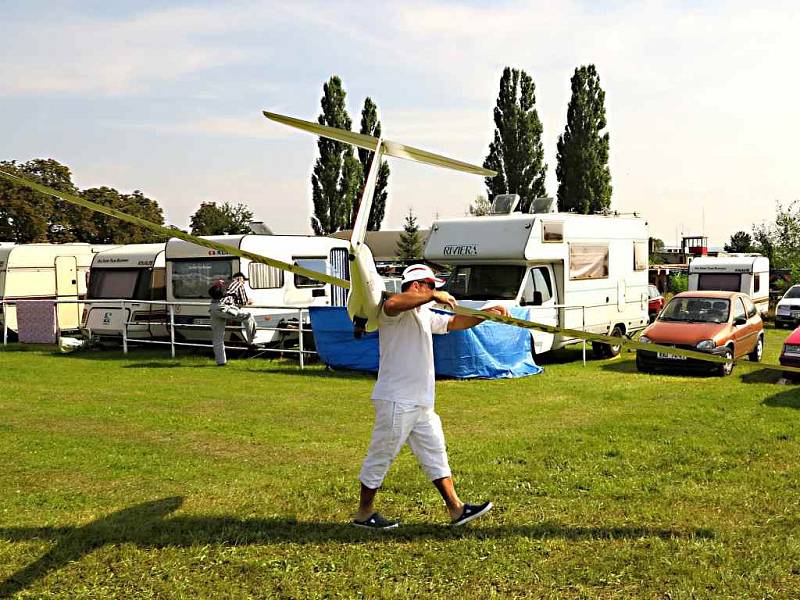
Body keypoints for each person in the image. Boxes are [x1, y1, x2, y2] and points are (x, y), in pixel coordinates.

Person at [354, 264, 508, 530]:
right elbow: (392, 303)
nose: (435, 290)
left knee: (435, 454)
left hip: (421, 401)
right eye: (431, 286)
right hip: (397, 399)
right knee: (381, 456)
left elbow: (455, 322)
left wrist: (485, 315)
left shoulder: (423, 313)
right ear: (417, 286)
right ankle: (363, 514)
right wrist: (435, 296)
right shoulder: (394, 312)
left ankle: (456, 509)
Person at [207, 277, 257, 366]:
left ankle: (221, 362)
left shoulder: (216, 287)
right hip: (221, 308)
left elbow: (220, 293)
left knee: (217, 338)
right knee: (248, 316)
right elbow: (228, 294)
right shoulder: (235, 284)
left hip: (213, 308)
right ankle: (251, 342)